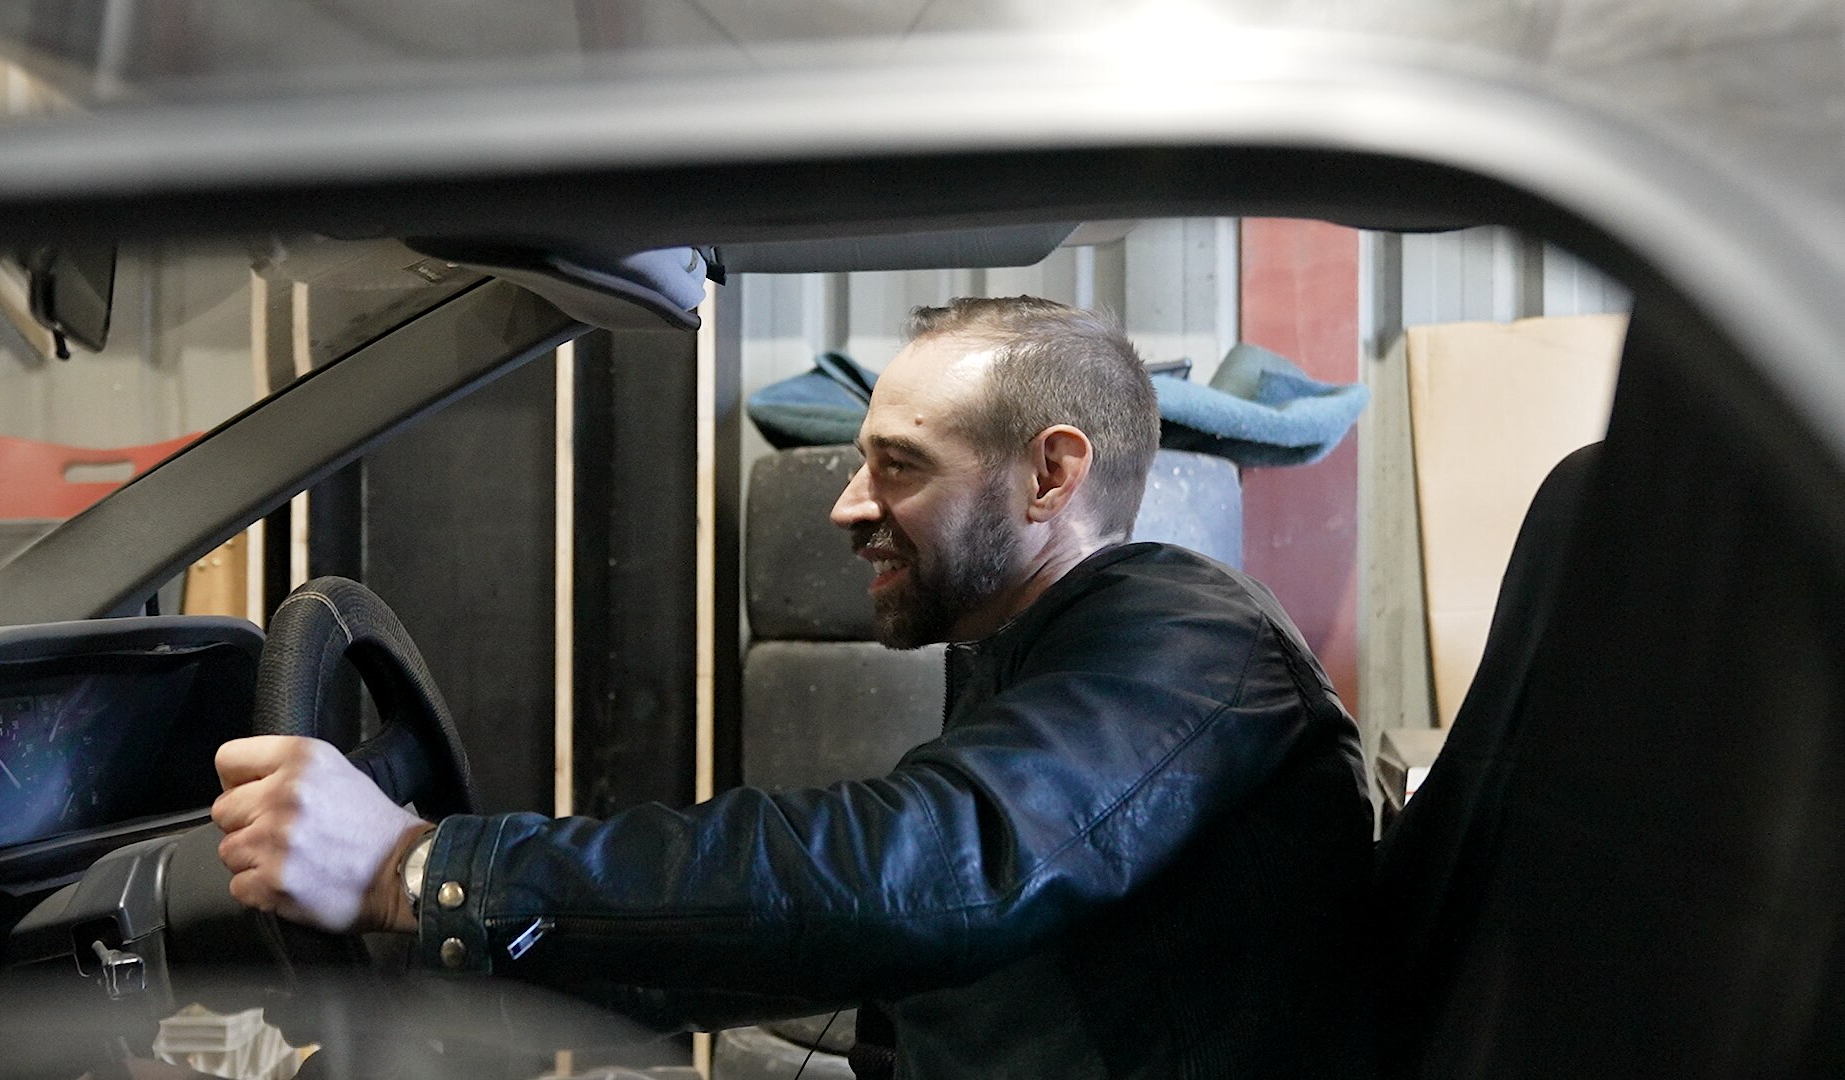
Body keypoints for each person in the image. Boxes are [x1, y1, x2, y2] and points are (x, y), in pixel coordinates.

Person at [211, 296, 1373, 1078]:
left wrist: (422, 873)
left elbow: (927, 870)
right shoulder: (1034, 645)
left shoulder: (1185, 642)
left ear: (1049, 475)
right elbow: (853, 930)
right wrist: (485, 979)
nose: (847, 504)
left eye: (899, 467)